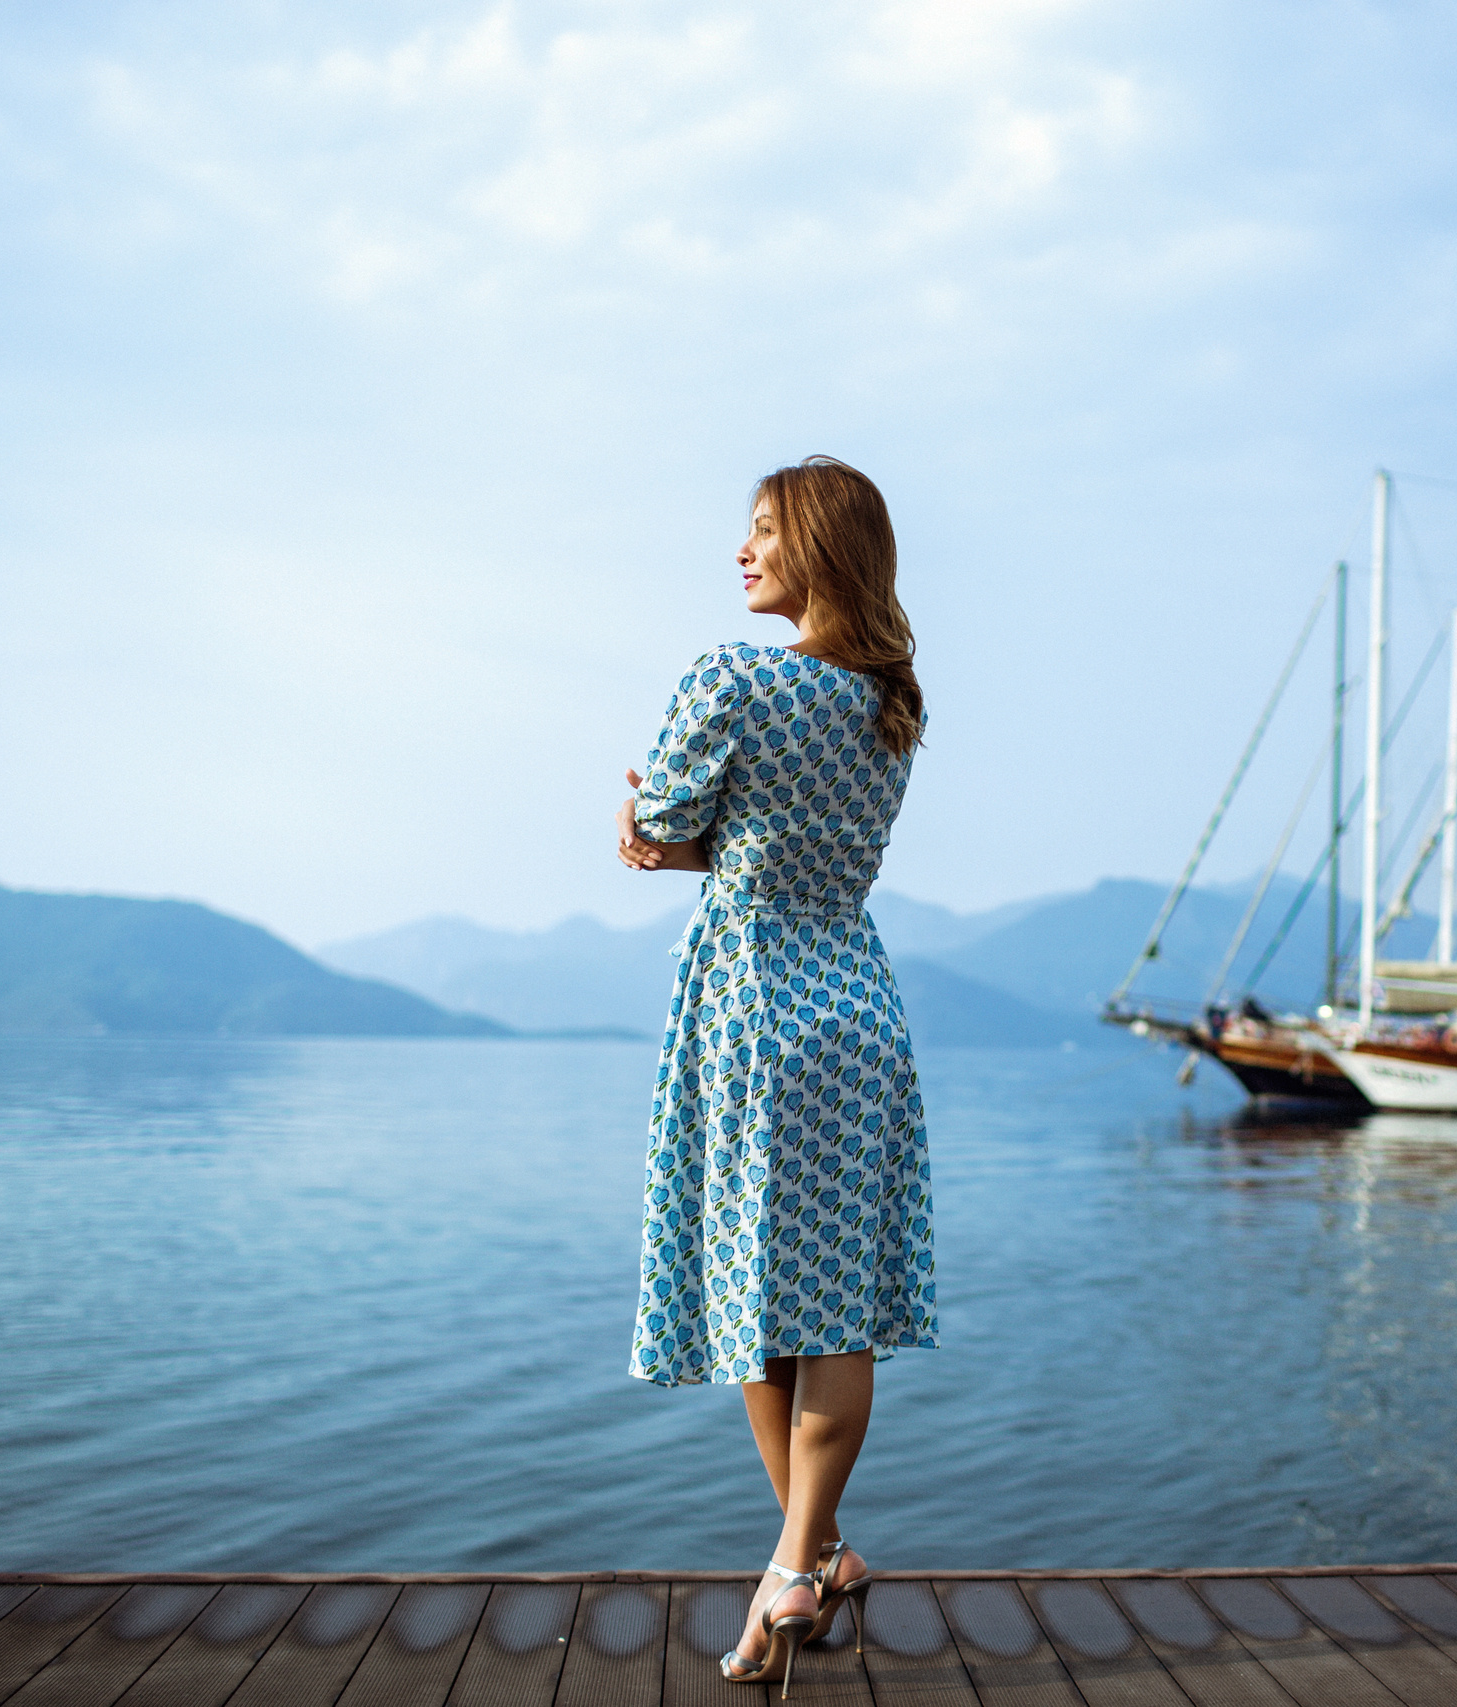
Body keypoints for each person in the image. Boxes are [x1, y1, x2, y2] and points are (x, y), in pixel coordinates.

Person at [614, 456, 935, 1691]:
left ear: (818, 546)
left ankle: (792, 1564)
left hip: (751, 1002)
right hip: (854, 1000)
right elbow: (786, 845)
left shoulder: (731, 674)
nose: (740, 554)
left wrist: (648, 833)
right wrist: (690, 841)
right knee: (828, 1295)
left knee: (762, 1293)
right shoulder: (891, 701)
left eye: (760, 533)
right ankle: (820, 1551)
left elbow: (671, 823)